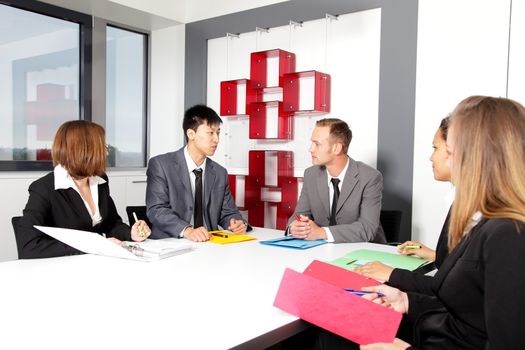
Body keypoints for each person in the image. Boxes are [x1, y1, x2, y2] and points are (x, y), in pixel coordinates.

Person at [361, 96, 525, 349]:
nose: (439, 158)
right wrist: (407, 301)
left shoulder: (508, 234)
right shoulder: (491, 223)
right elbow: (471, 311)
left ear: (478, 157)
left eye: (448, 151)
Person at [17, 120, 150, 259]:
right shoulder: (44, 189)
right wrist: (97, 245)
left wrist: (131, 233)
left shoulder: (99, 180)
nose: (106, 151)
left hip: (96, 263)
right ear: (83, 150)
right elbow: (28, 246)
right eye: (102, 146)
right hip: (62, 268)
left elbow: (112, 224)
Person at [354, 117, 452, 293]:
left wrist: (392, 275)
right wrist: (434, 254)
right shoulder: (458, 201)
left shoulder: (485, 217)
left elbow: (452, 289)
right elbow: (464, 269)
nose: (431, 157)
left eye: (435, 148)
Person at [146, 104, 249, 242]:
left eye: (218, 133)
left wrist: (235, 223)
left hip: (209, 245)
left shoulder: (219, 172)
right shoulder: (161, 165)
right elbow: (157, 210)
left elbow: (228, 212)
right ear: (191, 134)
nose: (216, 139)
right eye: (210, 133)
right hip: (171, 244)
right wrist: (187, 231)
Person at [287, 118, 385, 243]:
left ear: (337, 148)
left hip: (365, 250)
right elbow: (299, 214)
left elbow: (367, 228)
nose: (310, 149)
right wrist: (294, 227)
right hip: (322, 249)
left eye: (317, 144)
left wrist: (321, 233)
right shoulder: (310, 174)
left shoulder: (370, 177)